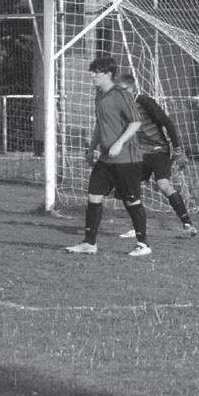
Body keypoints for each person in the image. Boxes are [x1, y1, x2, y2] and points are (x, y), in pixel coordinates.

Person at [66, 56, 151, 256]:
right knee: (93, 196)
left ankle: (143, 244)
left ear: (108, 74)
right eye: (92, 71)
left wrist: (119, 143)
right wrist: (91, 149)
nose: (92, 75)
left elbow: (135, 122)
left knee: (132, 201)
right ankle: (89, 243)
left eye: (96, 72)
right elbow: (100, 124)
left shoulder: (121, 94)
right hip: (105, 159)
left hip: (127, 159)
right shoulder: (99, 95)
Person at [115, 72, 198, 238]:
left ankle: (187, 223)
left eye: (124, 90)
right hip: (139, 153)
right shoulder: (120, 107)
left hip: (158, 150)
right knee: (127, 188)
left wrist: (177, 149)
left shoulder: (144, 102)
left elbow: (167, 122)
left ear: (132, 89)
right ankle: (138, 227)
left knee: (163, 184)